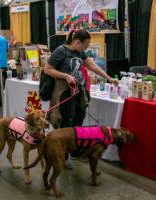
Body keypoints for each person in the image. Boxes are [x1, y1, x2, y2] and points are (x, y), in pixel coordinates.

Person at [44, 29, 118, 169]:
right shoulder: (61, 51)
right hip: (65, 91)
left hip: (79, 91)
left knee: (79, 119)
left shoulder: (80, 52)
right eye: (85, 45)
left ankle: (74, 150)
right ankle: (63, 156)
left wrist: (108, 78)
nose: (86, 48)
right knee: (67, 122)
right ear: (77, 41)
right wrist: (65, 76)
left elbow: (91, 65)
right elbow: (47, 69)